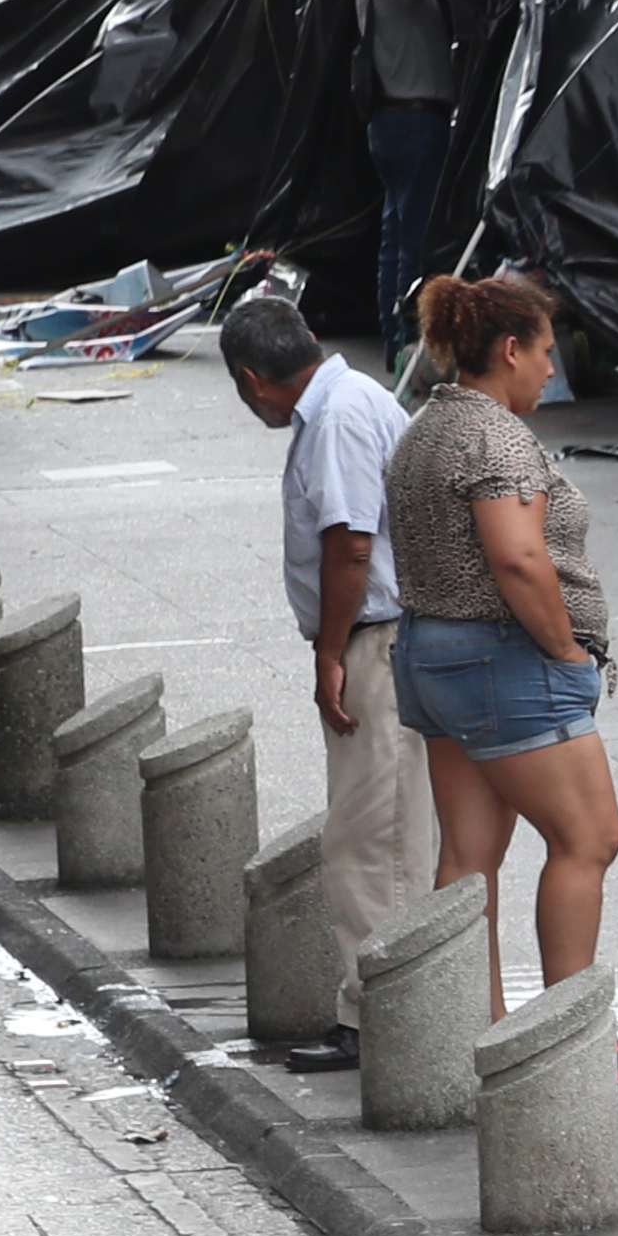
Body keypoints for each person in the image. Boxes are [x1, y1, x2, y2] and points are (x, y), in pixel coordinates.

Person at [378, 270, 618, 1087]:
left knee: (467, 858)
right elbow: (517, 555)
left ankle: (478, 1029)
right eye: (544, 353)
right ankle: (569, 1040)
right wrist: (568, 651)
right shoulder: (496, 438)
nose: (550, 370)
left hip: (433, 659)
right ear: (509, 350)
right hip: (503, 660)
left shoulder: (425, 427)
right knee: (589, 837)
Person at [223, 288, 422, 1074]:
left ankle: (382, 1017)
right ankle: (386, 1007)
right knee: (382, 832)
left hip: (378, 642)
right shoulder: (348, 396)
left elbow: (349, 545)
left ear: (252, 379)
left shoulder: (336, 418)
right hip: (379, 637)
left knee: (372, 839)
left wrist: (328, 655)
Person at [360, 0, 464, 341]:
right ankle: (407, 341)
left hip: (390, 124)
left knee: (396, 238)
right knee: (415, 244)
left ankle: (392, 337)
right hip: (415, 123)